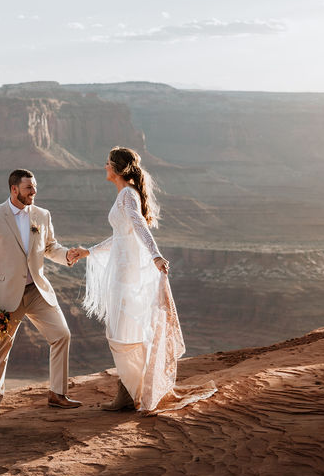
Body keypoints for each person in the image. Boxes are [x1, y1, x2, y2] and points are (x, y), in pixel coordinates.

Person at [69, 147, 216, 413]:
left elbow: (139, 226)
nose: (104, 167)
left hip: (127, 275)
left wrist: (156, 257)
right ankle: (128, 392)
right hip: (123, 270)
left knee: (123, 332)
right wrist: (88, 251)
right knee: (124, 331)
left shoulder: (127, 194)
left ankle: (129, 394)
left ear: (118, 169)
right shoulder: (126, 194)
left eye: (107, 163)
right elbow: (121, 237)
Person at [0, 169, 82, 419]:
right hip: (5, 294)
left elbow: (50, 247)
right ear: (14, 189)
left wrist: (66, 255)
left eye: (34, 187)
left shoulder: (42, 215)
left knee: (61, 335)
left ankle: (57, 394)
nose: (34, 191)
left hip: (36, 291)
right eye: (28, 188)